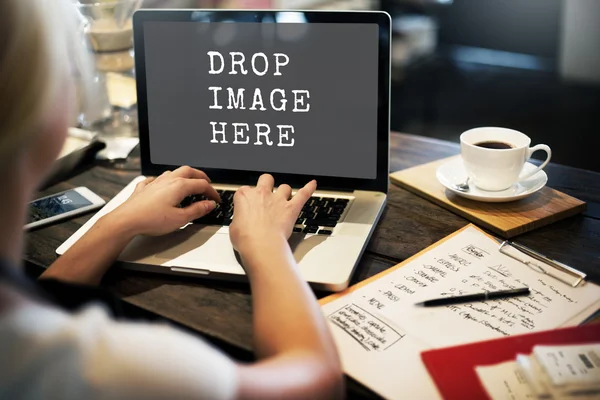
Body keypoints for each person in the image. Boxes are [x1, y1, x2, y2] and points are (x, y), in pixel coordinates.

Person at [0, 1, 343, 398]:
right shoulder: (108, 369)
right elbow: (317, 382)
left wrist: (117, 223)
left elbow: (46, 302)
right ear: (44, 110)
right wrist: (265, 245)